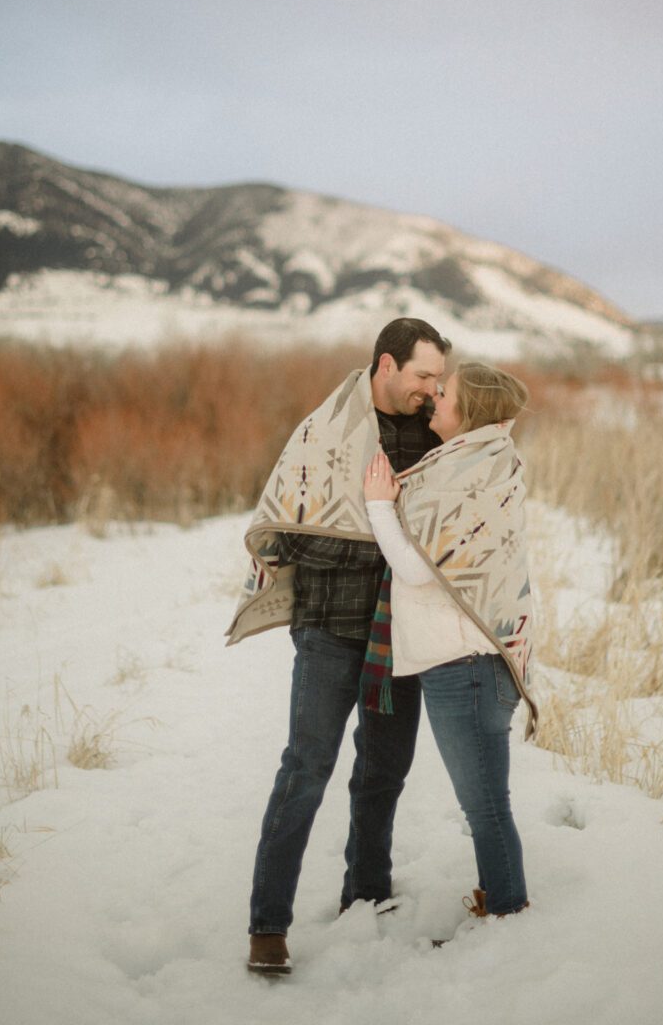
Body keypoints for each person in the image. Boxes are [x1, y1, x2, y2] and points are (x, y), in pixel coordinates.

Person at [229, 317, 449, 977]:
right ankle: (268, 925)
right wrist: (380, 536)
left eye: (439, 378)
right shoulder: (323, 434)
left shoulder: (437, 436)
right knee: (305, 770)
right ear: (386, 366)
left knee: (384, 771)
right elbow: (294, 538)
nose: (432, 388)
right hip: (329, 629)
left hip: (400, 636)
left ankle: (368, 893)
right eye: (422, 375)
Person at [361, 361, 540, 923]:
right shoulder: (481, 463)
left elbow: (418, 569)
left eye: (447, 393)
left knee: (484, 805)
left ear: (471, 410)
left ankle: (507, 914)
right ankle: (500, 904)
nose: (435, 397)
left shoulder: (466, 474)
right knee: (485, 802)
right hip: (472, 661)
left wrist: (378, 505)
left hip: (466, 664)